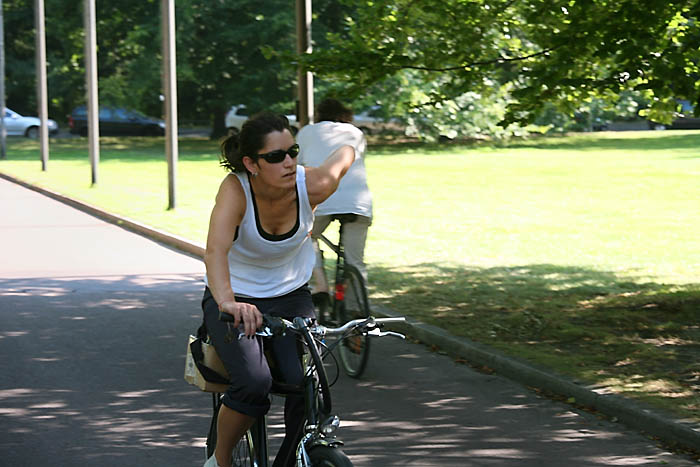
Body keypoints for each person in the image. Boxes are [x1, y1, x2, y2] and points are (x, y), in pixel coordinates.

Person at [201, 111, 355, 467]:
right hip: (235, 297)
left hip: (290, 295)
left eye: (293, 151)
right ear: (251, 163)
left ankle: (290, 461)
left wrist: (347, 146)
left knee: (307, 383)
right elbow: (215, 250)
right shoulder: (235, 190)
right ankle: (220, 459)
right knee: (254, 384)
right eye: (276, 156)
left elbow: (345, 154)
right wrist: (228, 302)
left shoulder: (312, 185)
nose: (289, 162)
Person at [296, 98, 373, 292]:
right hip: (358, 202)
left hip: (321, 198)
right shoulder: (356, 133)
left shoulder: (306, 132)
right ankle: (356, 308)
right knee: (355, 261)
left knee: (304, 238)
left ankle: (321, 285)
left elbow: (298, 165)